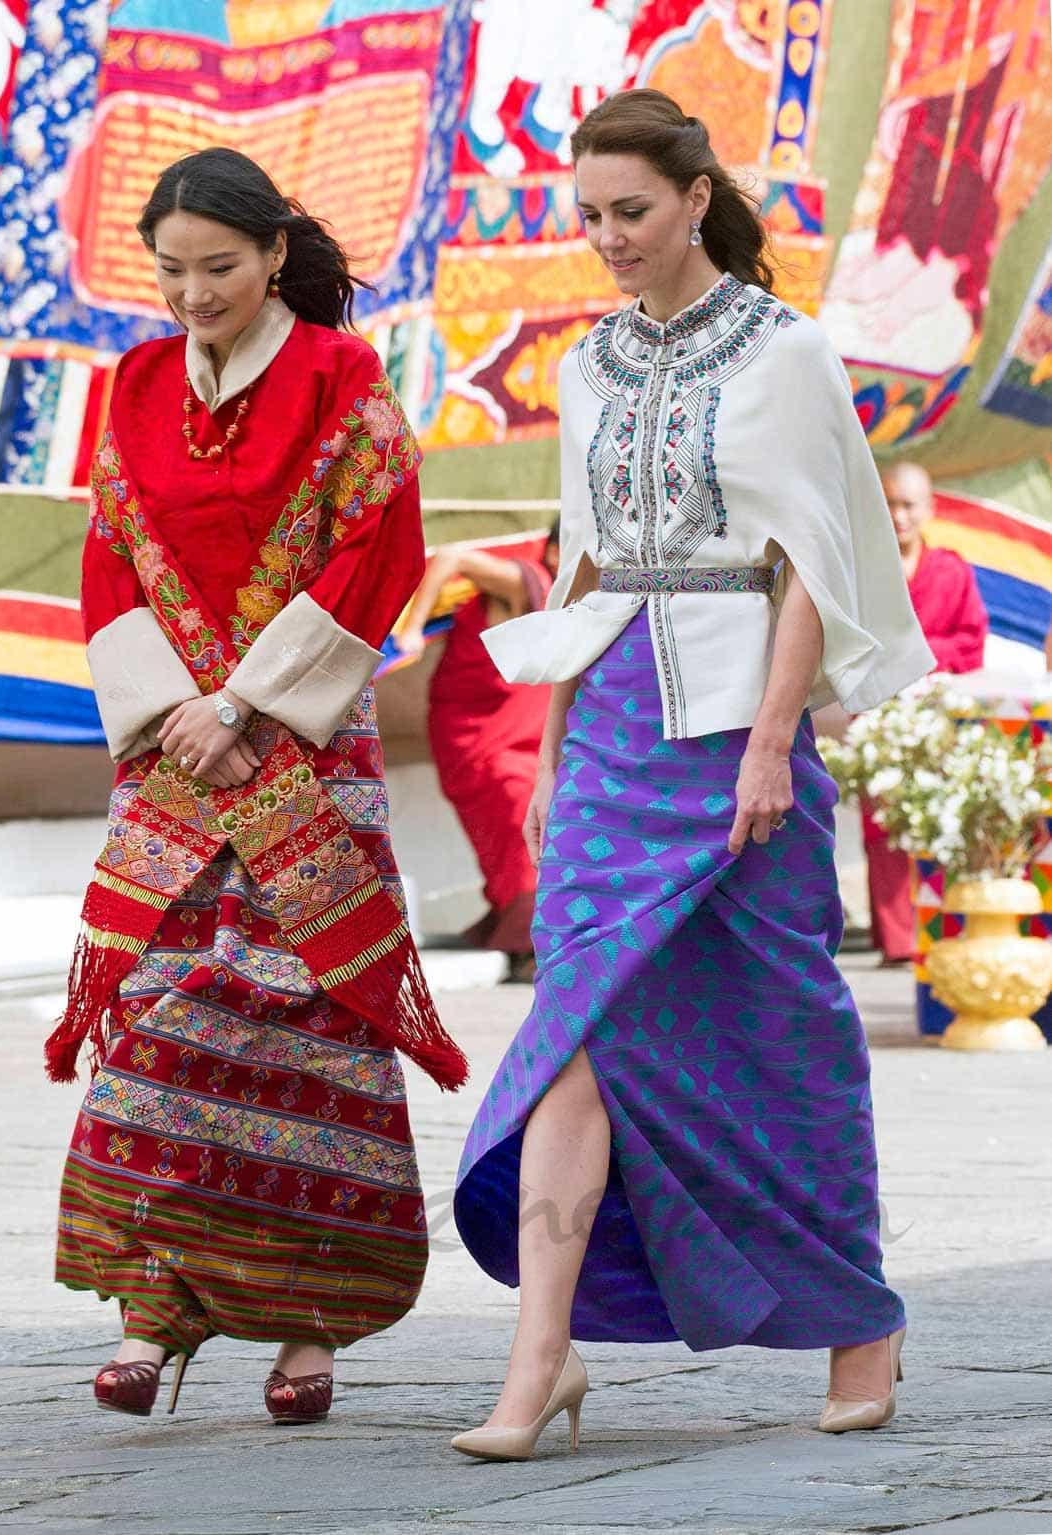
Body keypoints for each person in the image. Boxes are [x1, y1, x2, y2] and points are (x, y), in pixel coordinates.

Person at [449, 89, 936, 1462]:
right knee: (571, 1044)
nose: (604, 237)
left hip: (740, 733)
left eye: (629, 212)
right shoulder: (587, 362)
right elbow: (579, 559)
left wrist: (775, 739)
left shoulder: (786, 353)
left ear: (694, 199)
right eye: (588, 215)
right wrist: (549, 753)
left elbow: (810, 561)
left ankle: (858, 1320)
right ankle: (538, 1358)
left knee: (788, 1035)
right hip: (609, 728)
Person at [45, 147, 466, 1425]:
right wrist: (182, 709)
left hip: (300, 748)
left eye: (217, 267)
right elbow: (111, 555)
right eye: (170, 270)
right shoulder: (133, 381)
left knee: (306, 1022)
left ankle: (306, 1330)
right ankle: (149, 1314)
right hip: (174, 752)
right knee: (164, 1013)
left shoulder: (345, 376)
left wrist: (247, 702)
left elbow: (381, 547)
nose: (190, 293)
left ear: (276, 252)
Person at [396, 527, 560, 980]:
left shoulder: (570, 601)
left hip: (525, 743)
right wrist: (411, 630)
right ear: (553, 551)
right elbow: (451, 556)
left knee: (534, 833)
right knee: (517, 823)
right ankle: (529, 950)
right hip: (480, 739)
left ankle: (530, 943)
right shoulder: (524, 581)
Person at [863, 462, 989, 963]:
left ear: (930, 509)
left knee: (937, 819)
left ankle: (939, 935)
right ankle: (898, 942)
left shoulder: (952, 571)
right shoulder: (866, 575)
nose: (898, 516)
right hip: (879, 712)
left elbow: (971, 642)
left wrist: (916, 655)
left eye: (908, 505)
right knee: (883, 826)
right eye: (890, 503)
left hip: (937, 717)